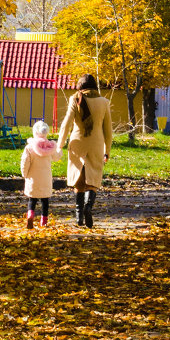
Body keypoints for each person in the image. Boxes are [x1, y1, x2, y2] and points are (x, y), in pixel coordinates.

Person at [58, 74, 114, 228]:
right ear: (95, 86)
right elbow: (108, 131)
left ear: (80, 86)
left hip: (77, 143)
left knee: (79, 180)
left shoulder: (75, 99)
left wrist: (59, 144)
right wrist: (107, 150)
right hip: (96, 144)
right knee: (93, 179)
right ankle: (88, 208)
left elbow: (66, 123)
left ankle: (78, 217)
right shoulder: (104, 102)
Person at [20, 120, 63, 229]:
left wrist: (24, 174)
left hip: (33, 178)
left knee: (32, 199)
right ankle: (43, 221)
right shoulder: (50, 147)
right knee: (45, 201)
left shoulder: (29, 148)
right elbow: (57, 156)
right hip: (46, 178)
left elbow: (25, 162)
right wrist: (60, 148)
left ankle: (30, 215)